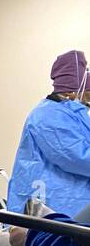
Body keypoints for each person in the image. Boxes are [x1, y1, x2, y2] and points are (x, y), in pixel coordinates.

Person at [7, 50, 90, 216]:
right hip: (56, 204)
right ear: (70, 91)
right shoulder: (49, 116)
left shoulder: (71, 114)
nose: (87, 99)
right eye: (87, 93)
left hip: (70, 203)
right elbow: (76, 157)